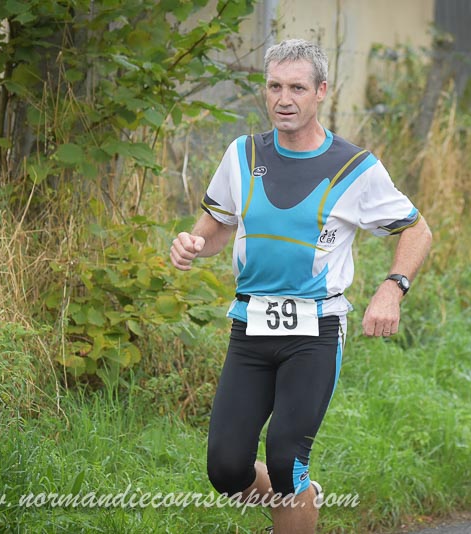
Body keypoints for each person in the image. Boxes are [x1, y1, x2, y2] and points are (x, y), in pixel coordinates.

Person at [170, 38, 432, 534]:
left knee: (287, 462)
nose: (283, 99)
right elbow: (218, 223)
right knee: (226, 469)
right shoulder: (242, 153)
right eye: (274, 87)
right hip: (250, 326)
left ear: (321, 92)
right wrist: (192, 243)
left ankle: (295, 495)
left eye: (296, 88)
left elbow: (417, 230)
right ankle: (301, 499)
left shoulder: (355, 166)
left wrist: (391, 288)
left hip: (316, 330)